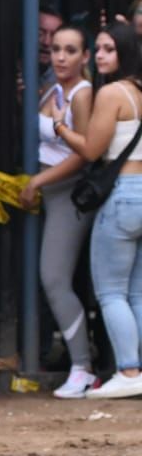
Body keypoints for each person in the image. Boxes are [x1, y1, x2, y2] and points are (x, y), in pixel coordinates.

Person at [21, 24, 96, 398]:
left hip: (65, 192)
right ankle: (80, 361)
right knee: (49, 278)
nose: (61, 57)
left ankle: (82, 366)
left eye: (70, 50)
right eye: (56, 50)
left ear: (85, 57)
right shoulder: (52, 88)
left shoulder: (82, 94)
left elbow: (84, 154)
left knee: (54, 278)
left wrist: (38, 181)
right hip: (47, 191)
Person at [76, 24, 142, 399]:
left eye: (109, 49)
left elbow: (90, 150)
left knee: (111, 291)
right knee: (137, 292)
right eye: (98, 48)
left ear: (125, 53)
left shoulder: (113, 93)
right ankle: (137, 368)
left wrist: (61, 128)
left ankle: (129, 370)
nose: (100, 55)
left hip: (123, 196)